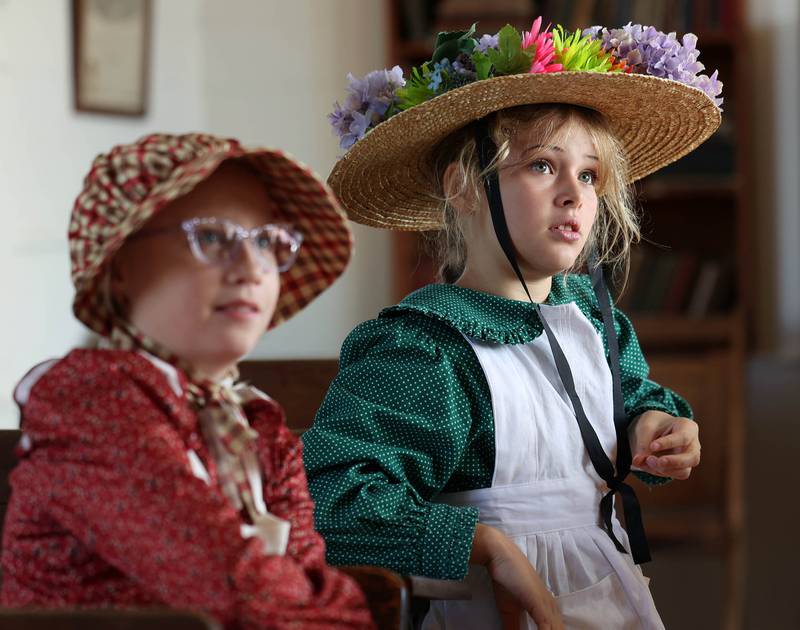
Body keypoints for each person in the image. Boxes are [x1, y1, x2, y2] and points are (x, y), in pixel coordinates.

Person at [304, 20, 719, 629]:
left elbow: (628, 401)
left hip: (607, 591)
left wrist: (655, 428)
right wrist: (487, 546)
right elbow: (337, 503)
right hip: (484, 608)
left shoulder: (595, 321)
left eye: (588, 175)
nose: (574, 195)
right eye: (543, 167)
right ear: (464, 187)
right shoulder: (427, 349)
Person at [1, 133, 374, 630]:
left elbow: (302, 586)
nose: (251, 268)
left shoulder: (259, 427)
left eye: (266, 241)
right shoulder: (88, 402)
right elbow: (239, 591)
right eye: (214, 237)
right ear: (119, 269)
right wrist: (349, 613)